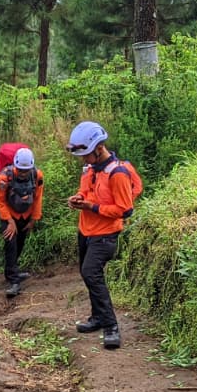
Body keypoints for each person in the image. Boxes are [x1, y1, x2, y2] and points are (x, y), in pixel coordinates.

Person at [66, 121, 136, 350]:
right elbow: (85, 191)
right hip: (86, 230)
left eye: (86, 155)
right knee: (86, 274)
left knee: (91, 273)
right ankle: (97, 317)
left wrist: (92, 208)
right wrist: (78, 198)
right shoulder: (89, 169)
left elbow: (125, 209)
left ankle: (111, 326)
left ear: (99, 148)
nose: (83, 160)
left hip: (106, 234)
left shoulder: (117, 174)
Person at [0, 147, 43, 298]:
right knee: (11, 243)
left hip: (26, 215)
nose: (23, 173)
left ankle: (11, 271)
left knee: (20, 244)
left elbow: (37, 198)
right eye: (20, 170)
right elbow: (0, 201)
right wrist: (9, 221)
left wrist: (33, 220)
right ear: (15, 166)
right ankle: (14, 282)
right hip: (9, 214)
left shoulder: (37, 176)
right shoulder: (5, 177)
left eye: (26, 170)